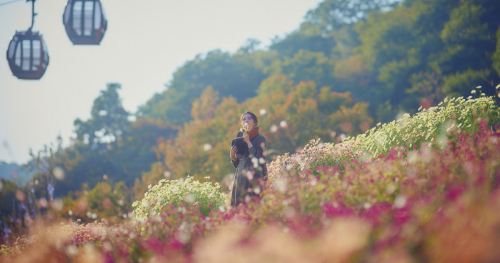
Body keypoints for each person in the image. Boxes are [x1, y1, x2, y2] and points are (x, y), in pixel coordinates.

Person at [229, 111, 267, 207]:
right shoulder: (240, 139)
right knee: (239, 208)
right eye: (244, 119)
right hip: (241, 178)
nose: (246, 120)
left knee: (253, 206)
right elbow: (240, 163)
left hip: (254, 177)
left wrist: (248, 142)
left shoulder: (260, 138)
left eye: (249, 118)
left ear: (255, 122)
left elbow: (258, 157)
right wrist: (233, 157)